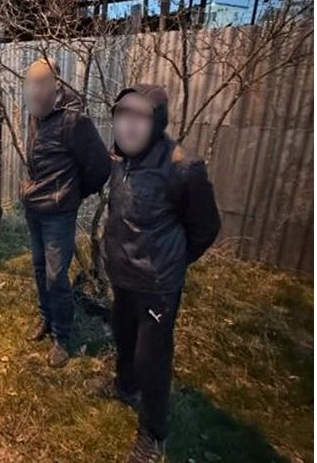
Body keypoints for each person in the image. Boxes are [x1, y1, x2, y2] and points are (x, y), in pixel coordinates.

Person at [103, 84, 221, 463]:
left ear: (157, 122)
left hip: (157, 285)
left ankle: (153, 434)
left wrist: (170, 262)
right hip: (122, 275)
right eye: (122, 113)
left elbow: (205, 228)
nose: (128, 124)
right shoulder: (121, 158)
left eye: (140, 116)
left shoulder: (183, 168)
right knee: (123, 337)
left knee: (151, 358)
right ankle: (125, 387)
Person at [20, 58, 111, 368]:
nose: (33, 89)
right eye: (29, 82)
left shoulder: (74, 120)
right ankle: (46, 318)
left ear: (56, 85)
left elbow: (100, 167)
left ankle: (62, 335)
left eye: (39, 82)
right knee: (39, 268)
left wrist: (72, 194)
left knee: (56, 276)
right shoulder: (36, 114)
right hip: (35, 206)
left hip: (59, 212)